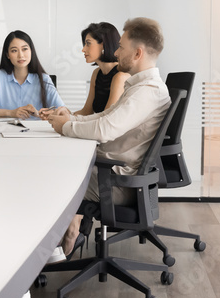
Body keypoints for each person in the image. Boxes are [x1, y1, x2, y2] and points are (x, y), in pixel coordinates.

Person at [43, 18, 171, 251]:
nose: (116, 51)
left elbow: (105, 130)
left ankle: (54, 248)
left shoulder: (148, 92)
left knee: (47, 173)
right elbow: (104, 117)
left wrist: (65, 127)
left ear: (137, 53)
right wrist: (70, 119)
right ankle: (62, 241)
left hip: (117, 182)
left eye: (121, 47)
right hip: (112, 172)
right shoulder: (139, 87)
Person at [0, 30, 64, 119]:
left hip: (36, 132)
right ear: (7, 55)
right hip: (2, 131)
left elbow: (63, 111)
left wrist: (47, 114)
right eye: (14, 51)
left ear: (31, 51)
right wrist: (10, 113)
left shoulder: (44, 79)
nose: (21, 55)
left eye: (24, 49)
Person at [68, 22, 130, 116]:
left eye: (88, 43)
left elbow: (106, 118)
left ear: (103, 44)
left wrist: (68, 120)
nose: (83, 49)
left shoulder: (120, 76)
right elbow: (86, 112)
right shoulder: (97, 73)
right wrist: (64, 115)